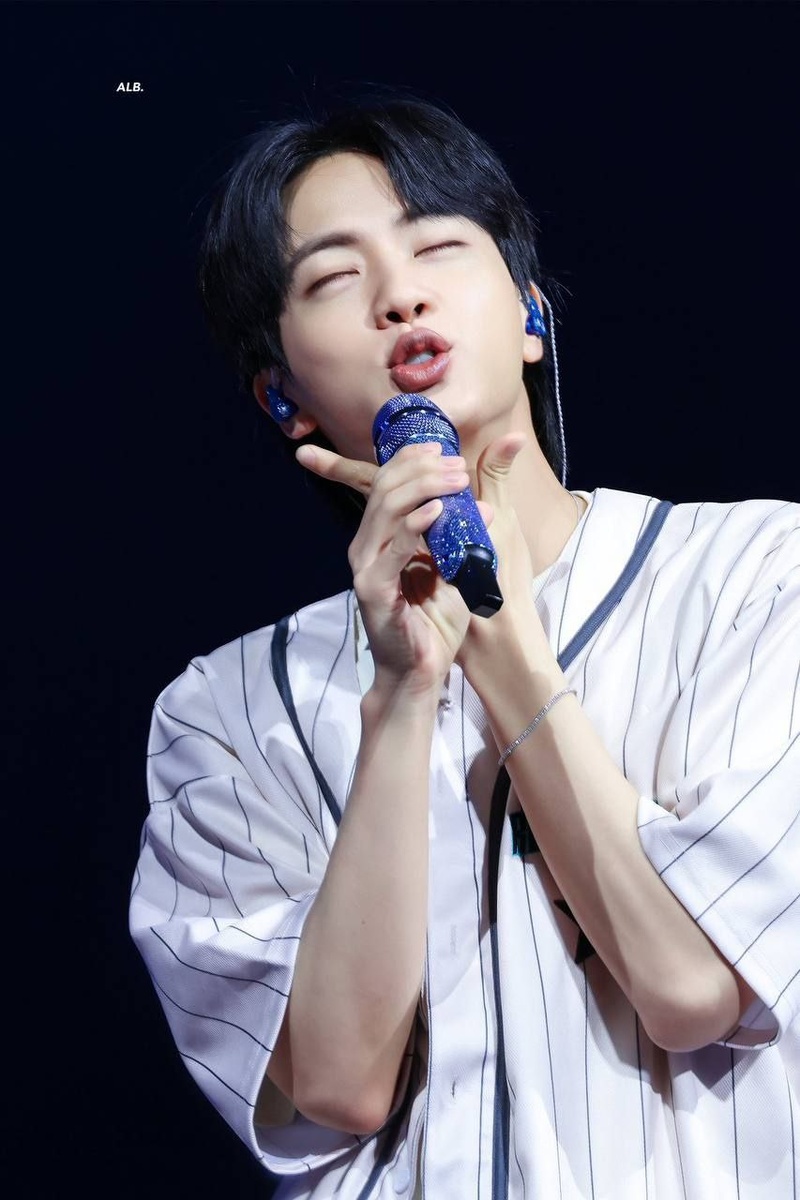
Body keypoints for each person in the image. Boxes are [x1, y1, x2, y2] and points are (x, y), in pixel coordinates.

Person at [129, 93, 799, 1199]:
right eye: (333, 278)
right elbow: (338, 1084)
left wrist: (496, 635)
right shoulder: (224, 710)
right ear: (283, 398)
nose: (399, 295)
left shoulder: (755, 577)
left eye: (436, 244)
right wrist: (400, 695)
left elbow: (690, 985)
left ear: (531, 315)